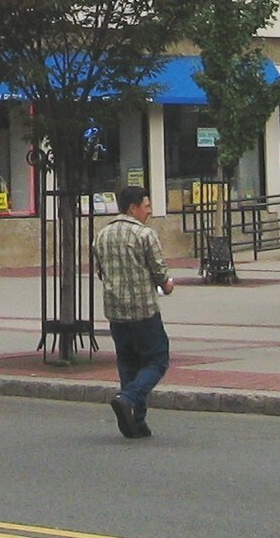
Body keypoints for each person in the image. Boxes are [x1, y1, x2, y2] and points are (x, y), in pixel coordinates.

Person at [96, 184, 174, 439]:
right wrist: (167, 284)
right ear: (133, 208)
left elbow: (100, 271)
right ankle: (128, 398)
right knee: (157, 359)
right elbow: (159, 271)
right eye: (146, 206)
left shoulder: (102, 235)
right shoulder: (144, 235)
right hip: (143, 311)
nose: (149, 211)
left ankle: (136, 422)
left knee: (128, 363)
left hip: (116, 312)